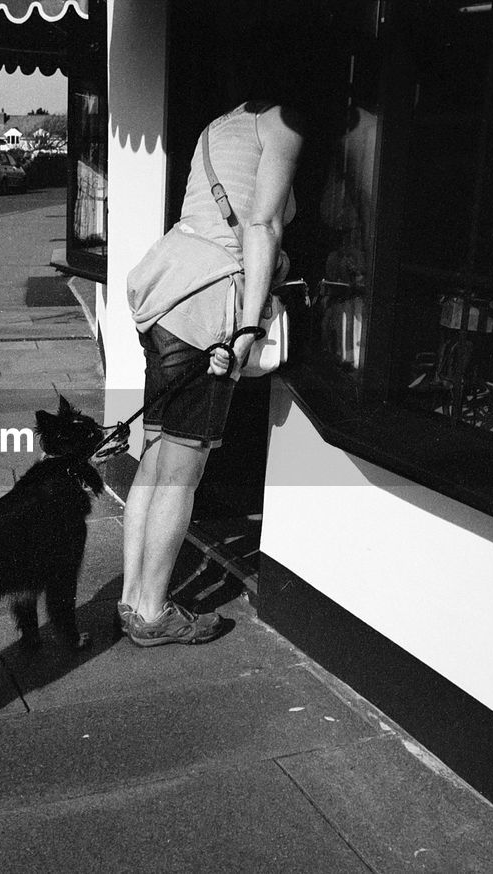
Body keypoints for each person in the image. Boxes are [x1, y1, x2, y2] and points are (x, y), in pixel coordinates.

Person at [121, 101, 303, 646]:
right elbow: (264, 223)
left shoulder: (218, 125)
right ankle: (153, 613)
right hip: (207, 304)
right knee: (183, 471)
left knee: (154, 459)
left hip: (164, 288)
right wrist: (248, 328)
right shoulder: (285, 123)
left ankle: (131, 599)